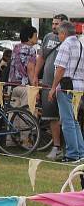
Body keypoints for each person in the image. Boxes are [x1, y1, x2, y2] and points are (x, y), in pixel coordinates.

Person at [49, 21, 84, 163]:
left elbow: (60, 69)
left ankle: (72, 154)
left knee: (67, 121)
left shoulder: (65, 45)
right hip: (79, 88)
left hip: (65, 87)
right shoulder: (80, 45)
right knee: (74, 121)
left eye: (59, 34)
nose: (58, 36)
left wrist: (52, 88)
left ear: (63, 33)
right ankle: (81, 152)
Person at [37, 14, 68, 160]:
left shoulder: (69, 40)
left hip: (63, 86)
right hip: (47, 83)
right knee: (51, 117)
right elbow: (42, 57)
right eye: (53, 23)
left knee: (66, 117)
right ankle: (56, 147)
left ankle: (68, 147)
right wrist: (35, 76)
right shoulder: (48, 37)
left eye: (57, 24)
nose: (54, 26)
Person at [9, 26, 39, 109]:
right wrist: (35, 89)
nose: (37, 38)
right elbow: (30, 69)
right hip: (24, 87)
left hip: (12, 85)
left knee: (13, 115)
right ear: (29, 38)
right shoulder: (31, 50)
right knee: (26, 114)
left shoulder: (16, 47)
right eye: (35, 35)